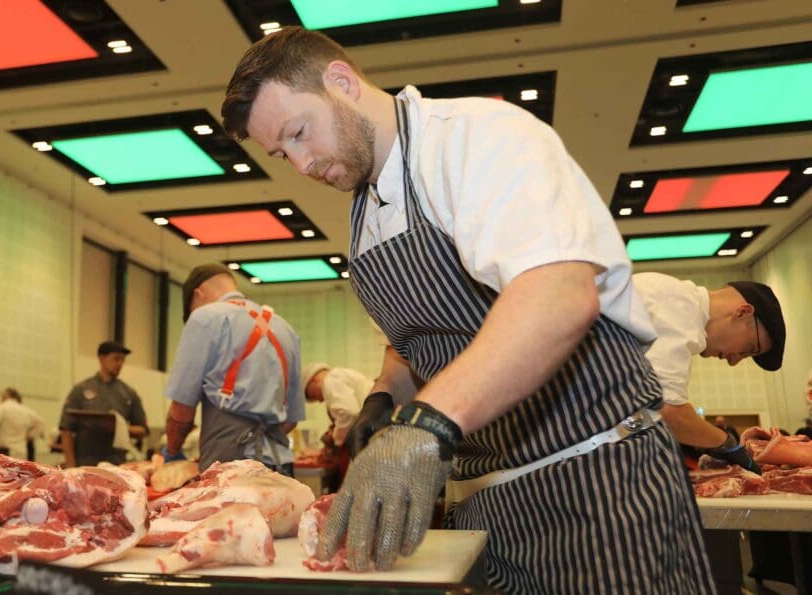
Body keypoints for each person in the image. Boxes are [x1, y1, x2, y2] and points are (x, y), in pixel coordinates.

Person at [221, 27, 713, 590]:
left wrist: (427, 422)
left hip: (597, 489)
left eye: (300, 133)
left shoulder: (472, 138)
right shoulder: (366, 211)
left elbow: (558, 293)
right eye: (284, 154)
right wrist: (385, 398)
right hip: (484, 507)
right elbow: (418, 337)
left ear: (341, 81)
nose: (303, 164)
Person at [632, 273, 784, 472]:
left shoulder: (671, 296)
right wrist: (724, 442)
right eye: (749, 349)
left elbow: (642, 415)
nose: (733, 361)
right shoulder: (678, 308)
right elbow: (667, 412)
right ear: (743, 313)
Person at [163, 263, 303, 476]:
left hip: (229, 470)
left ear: (197, 295)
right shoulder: (285, 328)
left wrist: (172, 452)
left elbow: (182, 411)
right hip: (280, 465)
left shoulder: (204, 317)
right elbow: (291, 419)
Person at [59, 341, 148, 467]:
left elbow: (142, 430)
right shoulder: (80, 390)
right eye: (116, 359)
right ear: (101, 358)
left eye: (122, 360)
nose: (120, 364)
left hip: (117, 465)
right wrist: (70, 466)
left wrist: (120, 428)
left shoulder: (129, 393)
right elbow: (66, 430)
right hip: (85, 464)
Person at [301, 362, 373, 448]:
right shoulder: (338, 376)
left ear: (314, 380)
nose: (320, 401)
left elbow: (348, 413)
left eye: (313, 396)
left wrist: (337, 439)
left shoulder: (330, 380)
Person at [0, 387, 46, 460]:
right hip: (21, 452)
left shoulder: (0, 408)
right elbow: (41, 423)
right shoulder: (27, 411)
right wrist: (30, 436)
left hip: (3, 452)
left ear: (5, 396)